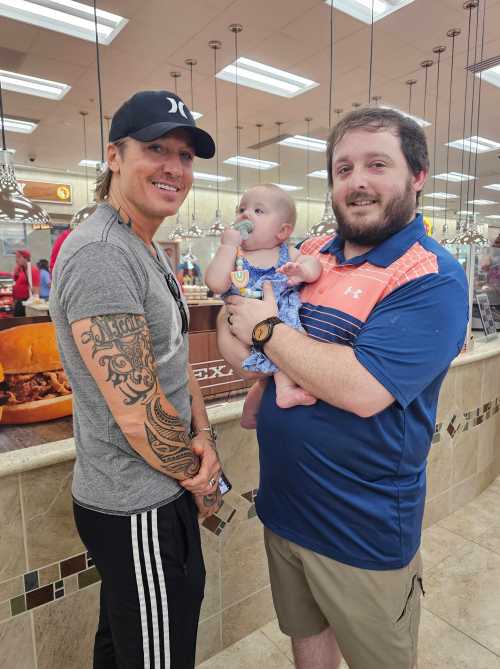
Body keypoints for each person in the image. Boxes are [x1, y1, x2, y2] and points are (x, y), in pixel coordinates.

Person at [219, 107, 469, 669]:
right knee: (308, 647)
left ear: (417, 176)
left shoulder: (430, 276)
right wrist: (250, 322)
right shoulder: (315, 258)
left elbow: (361, 388)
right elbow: (236, 341)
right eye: (343, 168)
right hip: (285, 510)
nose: (356, 181)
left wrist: (263, 326)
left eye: (377, 165)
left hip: (362, 534)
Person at [50, 90, 221, 669]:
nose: (174, 166)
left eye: (186, 154)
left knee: (127, 645)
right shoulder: (101, 255)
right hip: (135, 502)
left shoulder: (145, 247)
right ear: (114, 156)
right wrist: (201, 478)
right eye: (155, 148)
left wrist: (206, 438)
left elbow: (172, 362)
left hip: (158, 488)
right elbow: (137, 411)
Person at [205, 184, 322, 428]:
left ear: (282, 231)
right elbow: (216, 283)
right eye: (242, 208)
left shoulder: (288, 252)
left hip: (280, 321)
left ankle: (282, 393)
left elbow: (313, 265)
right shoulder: (235, 254)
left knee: (283, 361)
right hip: (241, 324)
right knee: (262, 369)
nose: (245, 215)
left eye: (258, 211)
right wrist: (226, 247)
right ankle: (260, 402)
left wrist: (303, 270)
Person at [12, 249, 39, 316]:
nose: (16, 260)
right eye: (16, 257)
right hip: (19, 301)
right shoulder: (21, 270)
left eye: (18, 257)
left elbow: (36, 288)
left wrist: (34, 301)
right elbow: (16, 282)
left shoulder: (32, 270)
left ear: (26, 258)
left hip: (26, 301)